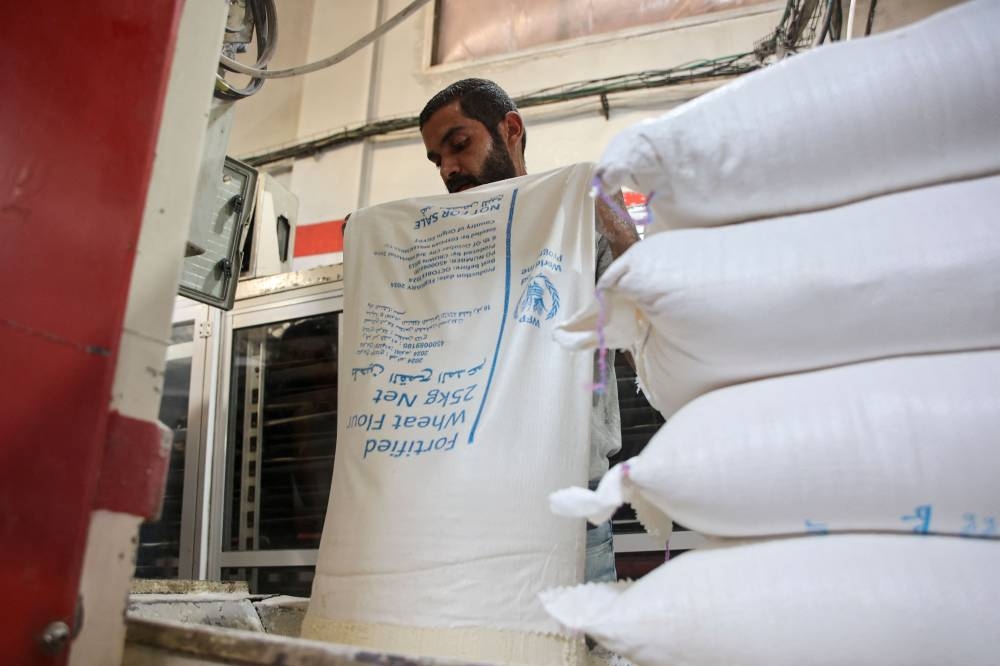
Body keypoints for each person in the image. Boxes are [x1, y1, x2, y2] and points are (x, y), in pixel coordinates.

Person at [419, 78, 640, 584]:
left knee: (577, 658)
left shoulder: (579, 216)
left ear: (510, 129)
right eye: (436, 160)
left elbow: (645, 340)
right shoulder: (444, 244)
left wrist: (608, 218)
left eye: (458, 145)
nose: (449, 168)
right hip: (466, 513)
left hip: (566, 507)